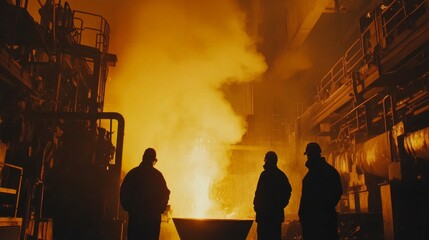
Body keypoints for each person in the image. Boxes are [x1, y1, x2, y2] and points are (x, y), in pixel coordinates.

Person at [120, 148, 170, 240]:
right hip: (152, 222)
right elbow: (165, 193)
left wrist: (129, 208)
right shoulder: (157, 176)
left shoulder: (133, 174)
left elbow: (124, 192)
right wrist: (160, 209)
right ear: (153, 160)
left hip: (136, 220)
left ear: (143, 157)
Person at [298, 142, 343, 240]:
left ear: (310, 155)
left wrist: (303, 214)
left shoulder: (310, 176)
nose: (307, 158)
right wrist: (327, 207)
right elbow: (338, 192)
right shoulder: (331, 171)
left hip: (312, 221)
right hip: (327, 219)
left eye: (308, 155)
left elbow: (306, 199)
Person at [253, 151, 292, 240]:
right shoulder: (280, 175)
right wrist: (280, 206)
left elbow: (258, 193)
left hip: (264, 217)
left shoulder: (264, 175)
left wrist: (257, 207)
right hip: (275, 217)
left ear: (266, 160)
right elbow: (288, 191)